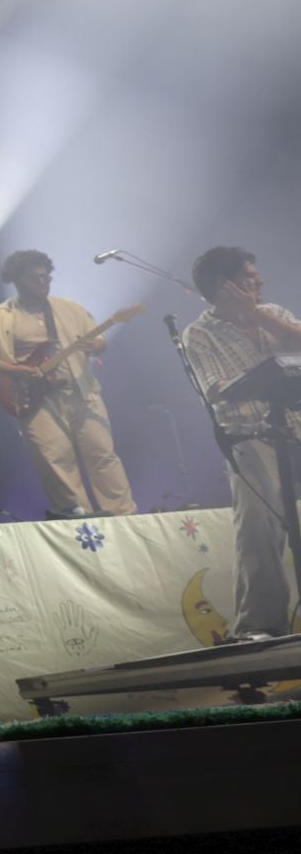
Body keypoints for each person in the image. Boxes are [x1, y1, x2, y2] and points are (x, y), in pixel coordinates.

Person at [183, 247, 301, 640]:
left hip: (297, 425)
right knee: (258, 525)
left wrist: (255, 314)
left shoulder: (276, 314)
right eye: (251, 276)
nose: (260, 281)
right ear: (225, 285)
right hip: (250, 437)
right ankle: (261, 626)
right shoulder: (199, 333)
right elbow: (215, 389)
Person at [0, 249, 136, 518]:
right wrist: (16, 370)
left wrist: (94, 344)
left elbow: (100, 342)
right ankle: (79, 519)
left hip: (82, 392)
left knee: (103, 454)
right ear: (17, 279)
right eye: (35, 278)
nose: (43, 282)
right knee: (56, 460)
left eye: (47, 277)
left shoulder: (70, 308)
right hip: (37, 399)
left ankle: (123, 515)